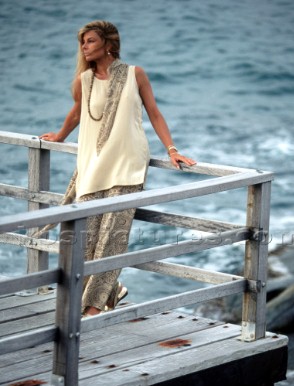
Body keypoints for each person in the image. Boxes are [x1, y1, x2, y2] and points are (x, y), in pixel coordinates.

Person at [40, 20, 196, 317]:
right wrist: (59, 136)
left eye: (90, 41)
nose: (84, 47)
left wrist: (172, 150)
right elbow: (76, 114)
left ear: (108, 43)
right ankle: (115, 290)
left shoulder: (135, 74)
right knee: (86, 243)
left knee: (111, 239)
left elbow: (154, 113)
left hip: (128, 164)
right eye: (82, 42)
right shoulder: (82, 81)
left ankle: (93, 307)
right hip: (91, 168)